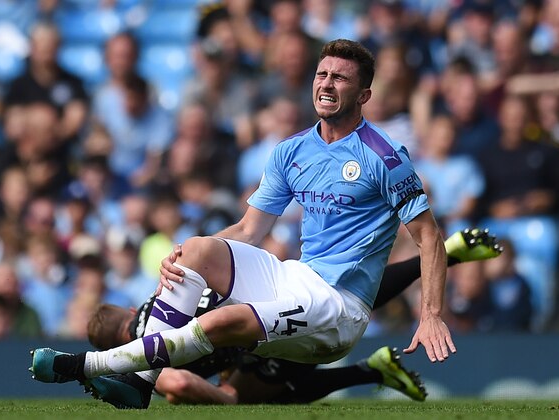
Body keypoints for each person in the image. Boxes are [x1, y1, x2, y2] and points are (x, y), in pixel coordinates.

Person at [30, 39, 455, 409]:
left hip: (340, 307)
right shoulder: (291, 151)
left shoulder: (385, 156)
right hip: (297, 278)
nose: (326, 83)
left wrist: (431, 313)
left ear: (363, 95)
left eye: (340, 78)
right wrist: (177, 258)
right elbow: (250, 229)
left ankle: (79, 366)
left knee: (218, 325)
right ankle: (139, 384)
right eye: (322, 74)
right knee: (197, 247)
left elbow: (429, 237)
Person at [83, 228, 502, 407]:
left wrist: (224, 399)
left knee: (257, 391)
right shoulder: (161, 297)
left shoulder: (143, 349)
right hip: (261, 290)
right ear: (126, 312)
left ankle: (369, 373)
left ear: (115, 346)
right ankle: (436, 256)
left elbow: (173, 380)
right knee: (344, 304)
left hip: (248, 331)